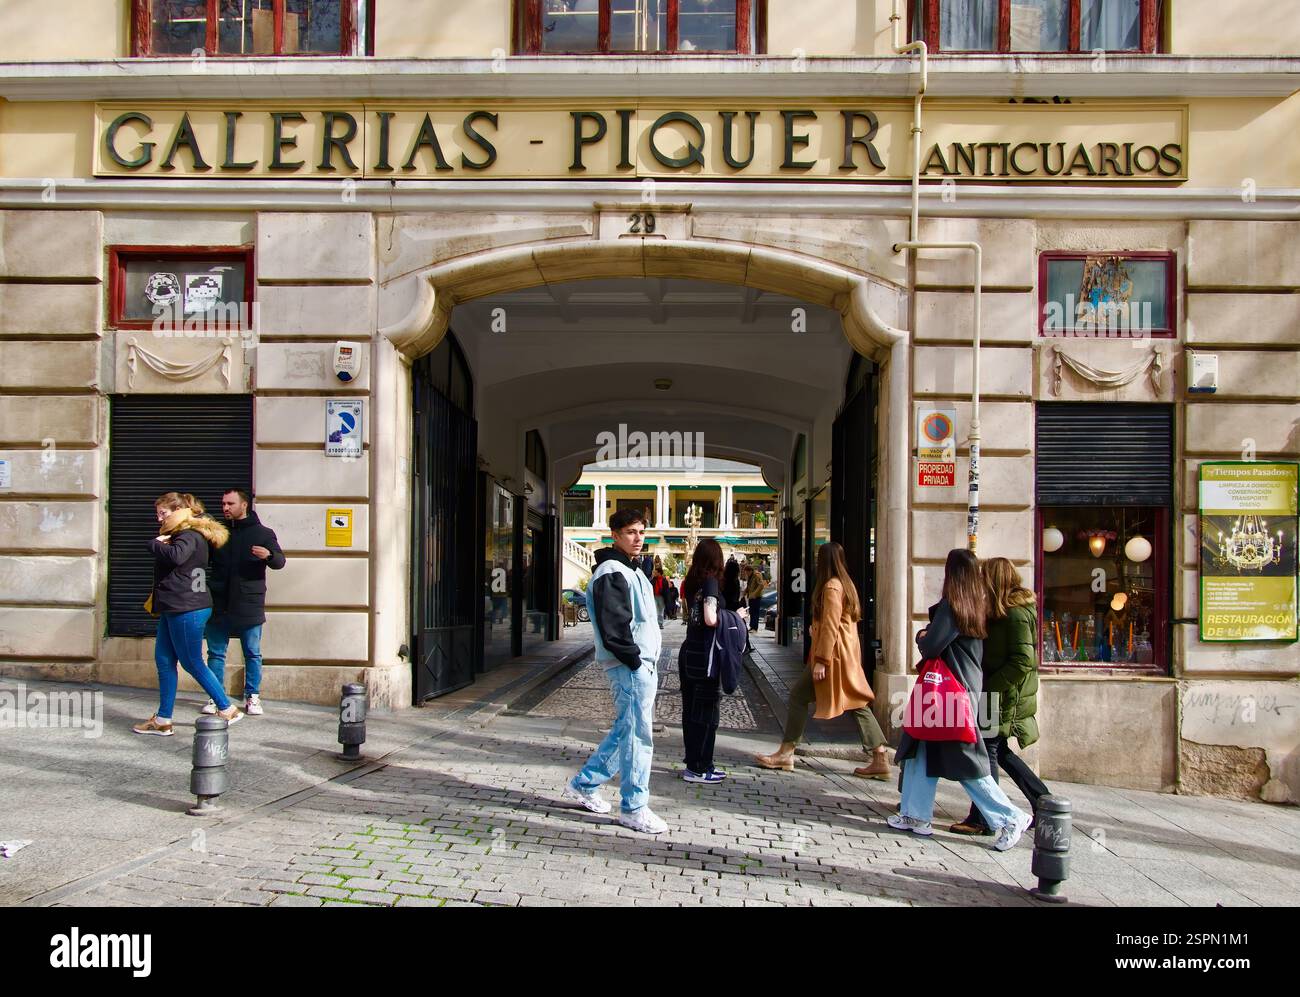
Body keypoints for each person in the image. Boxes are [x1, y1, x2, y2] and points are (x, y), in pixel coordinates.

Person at [887, 549, 1032, 851]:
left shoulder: (952, 606)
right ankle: (915, 815)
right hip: (959, 690)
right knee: (921, 747)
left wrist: (922, 635)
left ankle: (1009, 817)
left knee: (964, 760)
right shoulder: (974, 606)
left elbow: (931, 647)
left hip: (948, 693)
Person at [562, 508, 667, 834]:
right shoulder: (612, 571)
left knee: (627, 731)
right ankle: (634, 807)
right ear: (615, 535)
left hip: (637, 665)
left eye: (642, 532)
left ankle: (585, 784)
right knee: (637, 736)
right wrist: (635, 661)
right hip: (630, 667)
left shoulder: (627, 569)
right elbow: (614, 627)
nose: (638, 538)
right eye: (631, 532)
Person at [754, 542, 891, 780]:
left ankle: (787, 752)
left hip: (833, 656)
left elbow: (831, 624)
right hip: (845, 655)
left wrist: (821, 660)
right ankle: (879, 756)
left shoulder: (831, 587)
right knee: (856, 702)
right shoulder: (845, 584)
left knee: (799, 696)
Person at [949, 556, 1051, 835]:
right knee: (998, 751)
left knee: (988, 751)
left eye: (984, 576)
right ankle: (1043, 801)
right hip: (996, 692)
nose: (980, 581)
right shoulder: (1003, 610)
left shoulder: (1016, 613)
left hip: (1001, 695)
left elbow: (1022, 660)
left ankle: (984, 818)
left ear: (994, 580)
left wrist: (991, 687)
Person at [133, 492, 241, 735]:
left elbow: (177, 556)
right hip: (175, 606)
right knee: (164, 660)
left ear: (179, 511)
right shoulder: (182, 534)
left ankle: (227, 708)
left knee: (192, 661)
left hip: (187, 607)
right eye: (158, 513)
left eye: (163, 513)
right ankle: (162, 720)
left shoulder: (188, 534)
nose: (158, 517)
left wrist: (154, 543)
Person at [202, 488, 286, 718]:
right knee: (216, 652)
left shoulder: (263, 533)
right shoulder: (218, 533)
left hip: (249, 602)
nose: (225, 508)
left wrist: (267, 556)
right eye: (223, 504)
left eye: (230, 503)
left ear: (244, 505)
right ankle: (216, 696)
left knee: (252, 652)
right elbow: (201, 558)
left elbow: (280, 562)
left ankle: (252, 696)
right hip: (219, 600)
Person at [677, 538, 728, 785]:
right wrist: (733, 617)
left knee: (691, 711)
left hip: (689, 652)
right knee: (707, 713)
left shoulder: (691, 581)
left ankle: (696, 763)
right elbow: (710, 618)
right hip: (705, 657)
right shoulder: (710, 582)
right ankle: (700, 767)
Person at [744, 562, 766, 636]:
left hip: (756, 597)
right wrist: (745, 592)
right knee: (751, 612)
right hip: (751, 597)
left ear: (750, 571)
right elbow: (749, 585)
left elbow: (761, 585)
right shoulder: (750, 577)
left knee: (755, 612)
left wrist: (754, 594)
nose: (746, 574)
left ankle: (755, 628)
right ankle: (751, 626)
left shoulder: (757, 575)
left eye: (747, 572)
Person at [651, 555, 667, 627]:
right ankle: (656, 623)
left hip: (661, 596)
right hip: (654, 596)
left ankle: (660, 623)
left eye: (656, 572)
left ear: (659, 573)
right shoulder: (653, 580)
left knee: (661, 610)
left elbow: (667, 590)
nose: (654, 573)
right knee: (655, 610)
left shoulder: (664, 580)